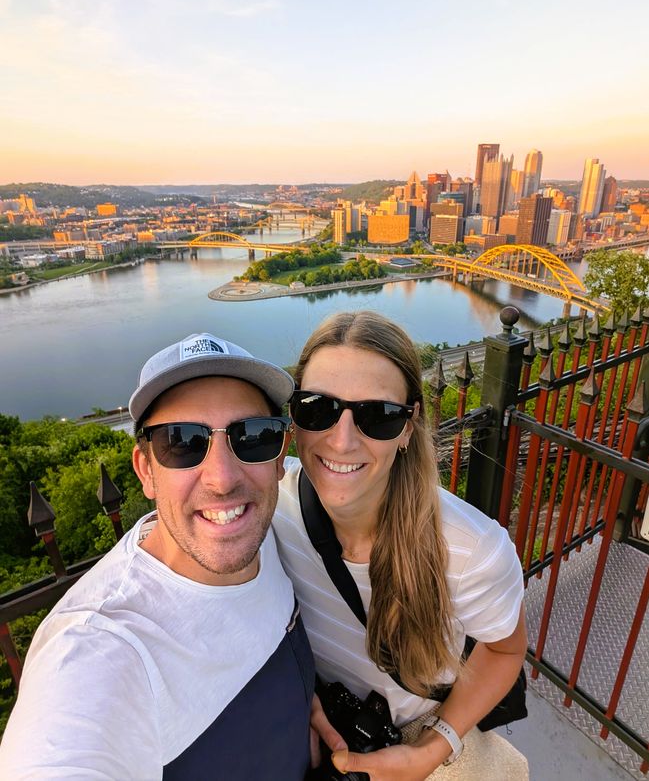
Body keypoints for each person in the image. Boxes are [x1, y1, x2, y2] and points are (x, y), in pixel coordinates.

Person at [0, 332, 321, 780]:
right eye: (182, 442)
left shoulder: (263, 534)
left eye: (253, 437)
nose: (223, 479)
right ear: (145, 470)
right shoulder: (96, 651)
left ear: (278, 454)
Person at [273, 311, 529, 781]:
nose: (343, 440)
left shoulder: (472, 551)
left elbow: (505, 651)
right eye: (317, 407)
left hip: (409, 735)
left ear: (409, 427)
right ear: (293, 416)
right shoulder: (268, 510)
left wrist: (431, 751)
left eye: (378, 416)